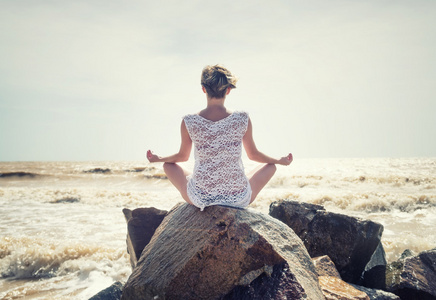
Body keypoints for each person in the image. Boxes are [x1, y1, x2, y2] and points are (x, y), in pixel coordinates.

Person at [147, 64, 292, 211]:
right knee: (270, 166)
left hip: (202, 196)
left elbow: (183, 156)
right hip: (237, 197)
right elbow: (253, 155)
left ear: (203, 89)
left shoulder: (189, 121)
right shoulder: (242, 118)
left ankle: (206, 185)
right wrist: (279, 161)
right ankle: (229, 186)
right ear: (228, 90)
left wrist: (159, 159)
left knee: (168, 165)